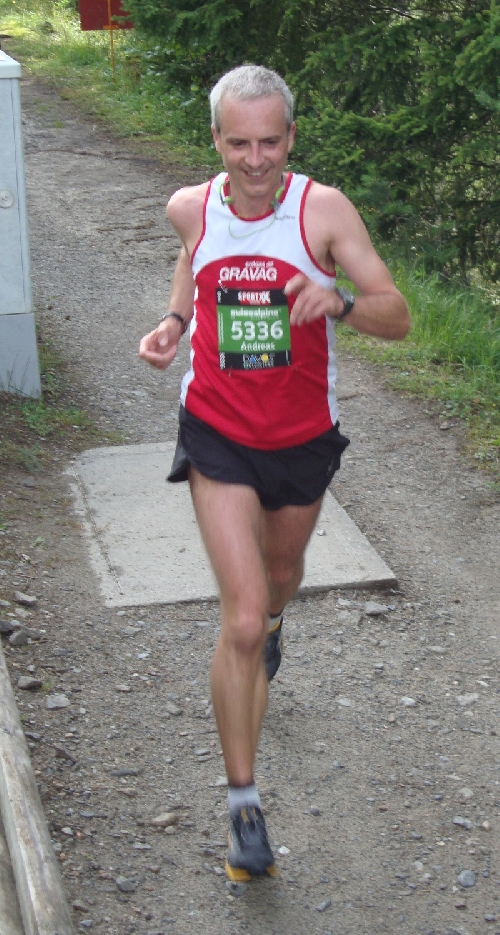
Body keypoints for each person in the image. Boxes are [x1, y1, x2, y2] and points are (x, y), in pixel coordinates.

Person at [139, 64, 410, 883]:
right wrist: (176, 319)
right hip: (217, 429)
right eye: (238, 143)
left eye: (269, 142)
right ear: (216, 140)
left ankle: (277, 619)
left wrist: (340, 302)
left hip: (301, 439)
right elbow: (194, 254)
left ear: (290, 137)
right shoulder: (189, 205)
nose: (254, 160)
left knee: (281, 576)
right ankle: (243, 805)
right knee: (243, 618)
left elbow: (397, 314)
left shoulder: (322, 212)